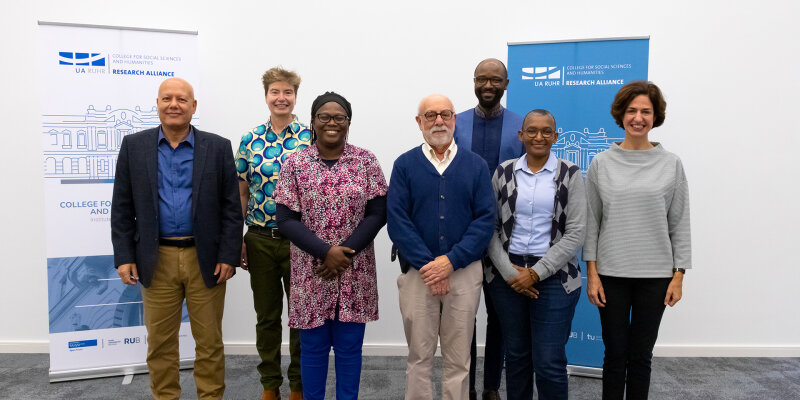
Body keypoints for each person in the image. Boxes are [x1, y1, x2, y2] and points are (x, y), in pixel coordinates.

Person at [111, 77, 242, 400]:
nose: (174, 104)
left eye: (182, 99)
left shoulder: (218, 146)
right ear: (157, 104)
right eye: (167, 98)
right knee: (159, 344)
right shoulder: (134, 146)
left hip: (207, 260)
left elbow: (231, 207)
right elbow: (122, 207)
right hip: (156, 259)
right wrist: (125, 255)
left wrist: (228, 255)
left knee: (210, 342)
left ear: (193, 106)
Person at [273, 92, 387, 400]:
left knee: (350, 350)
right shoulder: (295, 163)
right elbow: (285, 219)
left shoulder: (366, 161)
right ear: (312, 121)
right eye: (324, 116)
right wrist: (327, 252)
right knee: (312, 349)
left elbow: (378, 214)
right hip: (311, 272)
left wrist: (344, 252)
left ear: (349, 122)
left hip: (354, 271)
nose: (332, 122)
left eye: (340, 117)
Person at [584, 81, 691, 400]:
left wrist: (679, 275)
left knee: (641, 356)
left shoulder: (671, 163)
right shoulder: (601, 162)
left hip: (656, 276)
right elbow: (592, 222)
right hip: (611, 274)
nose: (638, 117)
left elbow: (680, 222)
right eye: (632, 110)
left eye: (646, 111)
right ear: (621, 115)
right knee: (615, 354)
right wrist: (592, 274)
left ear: (655, 116)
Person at [387, 94, 495, 400]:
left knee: (459, 359)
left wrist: (449, 262)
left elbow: (485, 220)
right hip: (418, 275)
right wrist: (430, 266)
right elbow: (397, 221)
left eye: (445, 114)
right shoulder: (405, 165)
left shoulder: (475, 166)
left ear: (454, 119)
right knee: (419, 357)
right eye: (431, 115)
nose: (439, 121)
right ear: (418, 122)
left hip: (463, 274)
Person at [486, 109, 585, 400]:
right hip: (508, 276)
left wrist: (535, 273)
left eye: (546, 131)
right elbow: (489, 228)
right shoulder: (503, 172)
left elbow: (575, 233)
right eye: (531, 130)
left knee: (549, 362)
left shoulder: (571, 174)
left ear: (556, 136)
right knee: (516, 357)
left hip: (555, 278)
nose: (538, 136)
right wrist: (511, 273)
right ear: (521, 135)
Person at [235, 67, 310, 400]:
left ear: (296, 96)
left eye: (288, 92)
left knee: (301, 317)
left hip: (301, 241)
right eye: (275, 92)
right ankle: (270, 385)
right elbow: (241, 192)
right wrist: (237, 237)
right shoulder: (250, 138)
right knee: (267, 317)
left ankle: (297, 384)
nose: (282, 98)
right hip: (260, 239)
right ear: (266, 95)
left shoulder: (311, 137)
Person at [454, 58, 524, 400]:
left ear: (506, 83)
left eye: (495, 79)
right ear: (474, 82)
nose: (488, 85)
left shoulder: (521, 126)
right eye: (482, 79)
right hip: (462, 235)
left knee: (500, 317)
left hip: (506, 238)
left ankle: (492, 386)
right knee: (464, 317)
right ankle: (464, 386)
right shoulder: (455, 123)